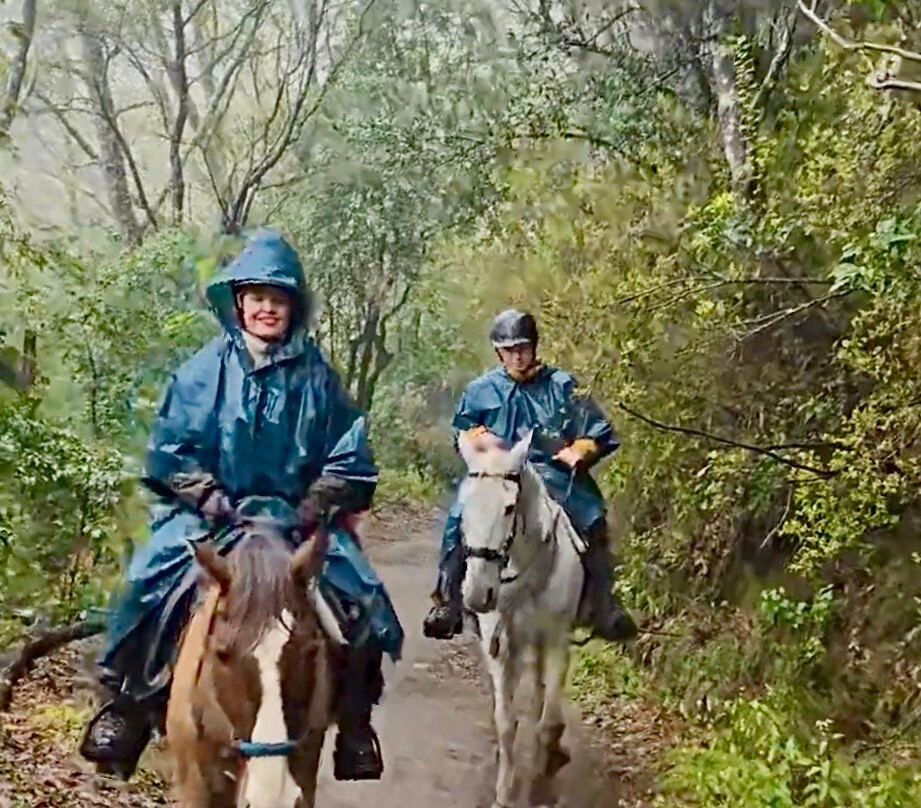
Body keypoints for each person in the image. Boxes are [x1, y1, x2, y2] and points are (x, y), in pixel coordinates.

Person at [78, 228, 402, 781]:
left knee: (364, 600)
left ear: (292, 307)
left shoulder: (320, 380)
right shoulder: (201, 373)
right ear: (239, 303)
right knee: (142, 585)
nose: (267, 309)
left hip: (295, 523)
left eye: (277, 299)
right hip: (213, 519)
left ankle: (353, 722)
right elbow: (171, 450)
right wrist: (209, 497)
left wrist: (316, 502)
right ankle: (124, 706)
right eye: (257, 298)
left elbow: (350, 455)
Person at [422, 308, 638, 643]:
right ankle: (448, 601)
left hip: (550, 473)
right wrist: (479, 441)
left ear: (534, 347)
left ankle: (604, 607)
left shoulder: (562, 385)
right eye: (509, 349)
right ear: (499, 352)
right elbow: (462, 432)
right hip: (497, 472)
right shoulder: (481, 390)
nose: (517, 355)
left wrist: (580, 449)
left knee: (592, 517)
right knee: (457, 519)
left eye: (522, 347)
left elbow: (597, 432)